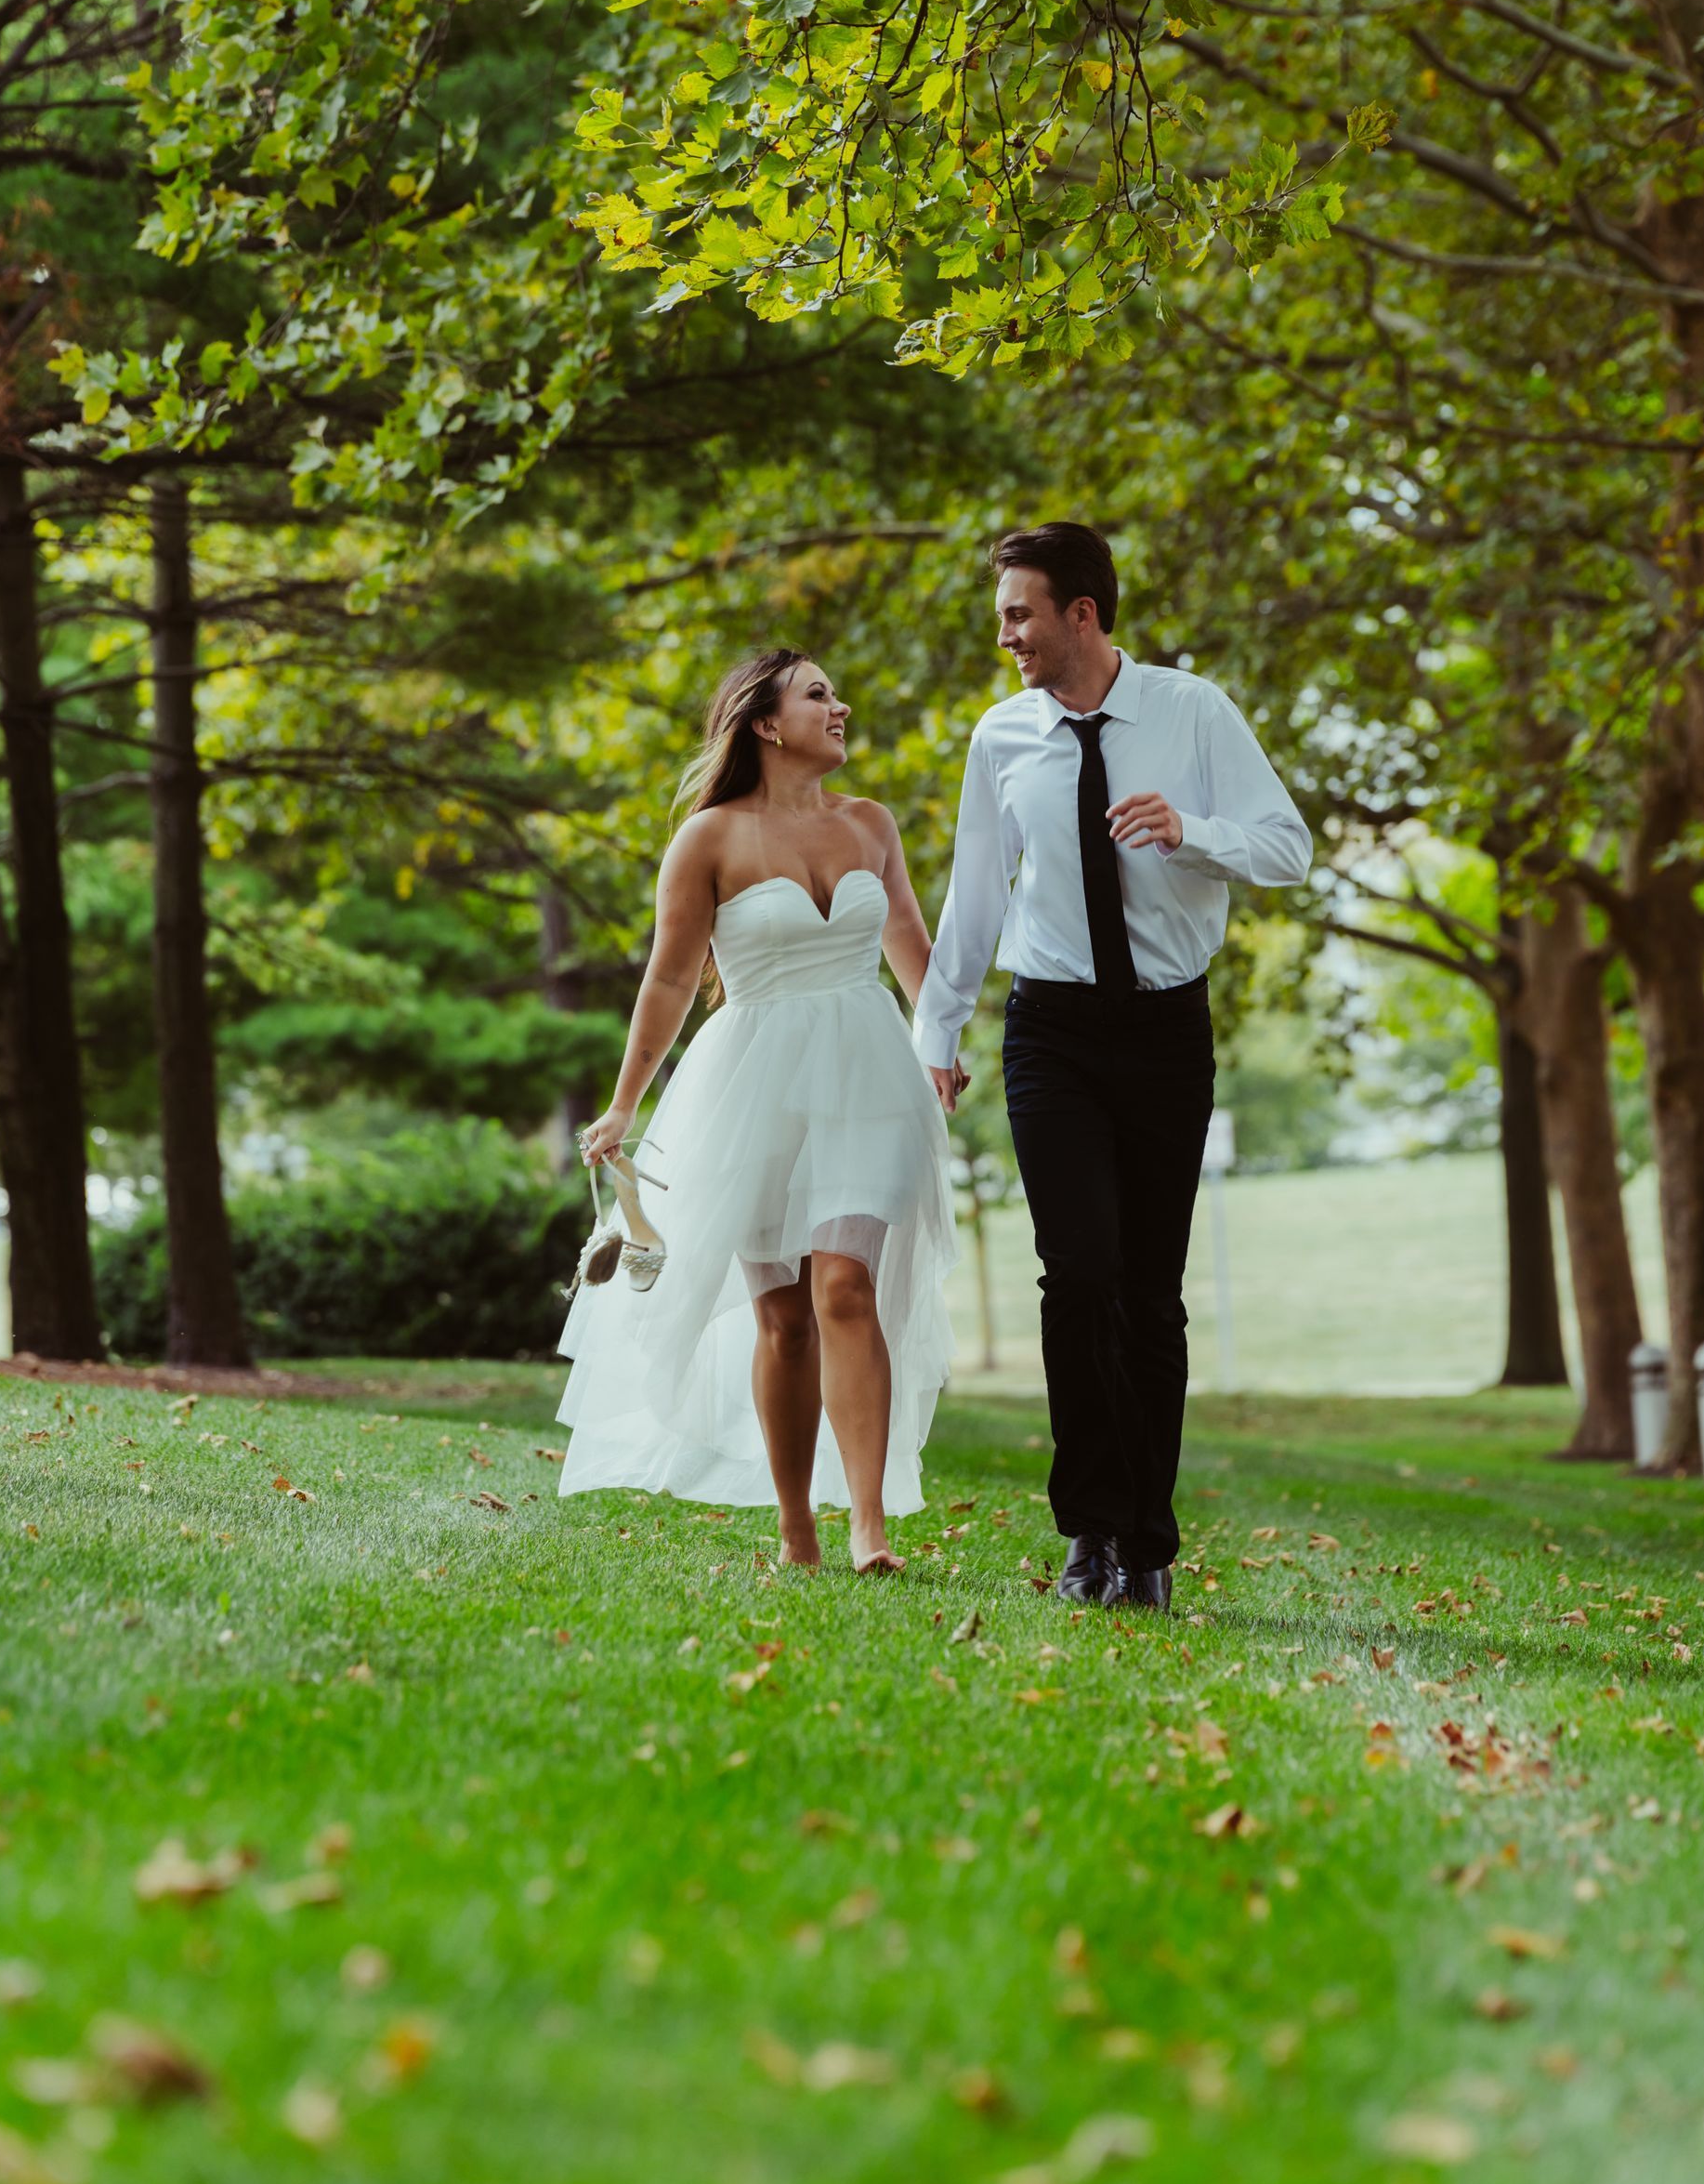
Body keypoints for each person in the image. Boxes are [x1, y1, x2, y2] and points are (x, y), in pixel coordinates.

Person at [914, 524, 1311, 1612]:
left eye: (1018, 614)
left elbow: (1289, 846)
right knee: (1077, 1276)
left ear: (1080, 614)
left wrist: (1192, 831)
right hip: (1053, 1033)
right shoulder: (1002, 737)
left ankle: (1149, 1544)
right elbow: (975, 895)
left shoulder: (1193, 713)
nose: (1005, 637)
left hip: (1168, 1033)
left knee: (1149, 1294)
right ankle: (1092, 1531)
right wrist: (934, 1035)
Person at [557, 650, 961, 1572]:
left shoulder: (871, 825)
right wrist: (625, 1105)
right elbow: (667, 979)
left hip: (868, 1075)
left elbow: (908, 938)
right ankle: (795, 1526)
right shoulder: (709, 840)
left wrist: (941, 1042)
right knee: (783, 1317)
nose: (841, 705)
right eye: (818, 694)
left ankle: (868, 1526)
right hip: (754, 1088)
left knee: (846, 1285)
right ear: (767, 724)